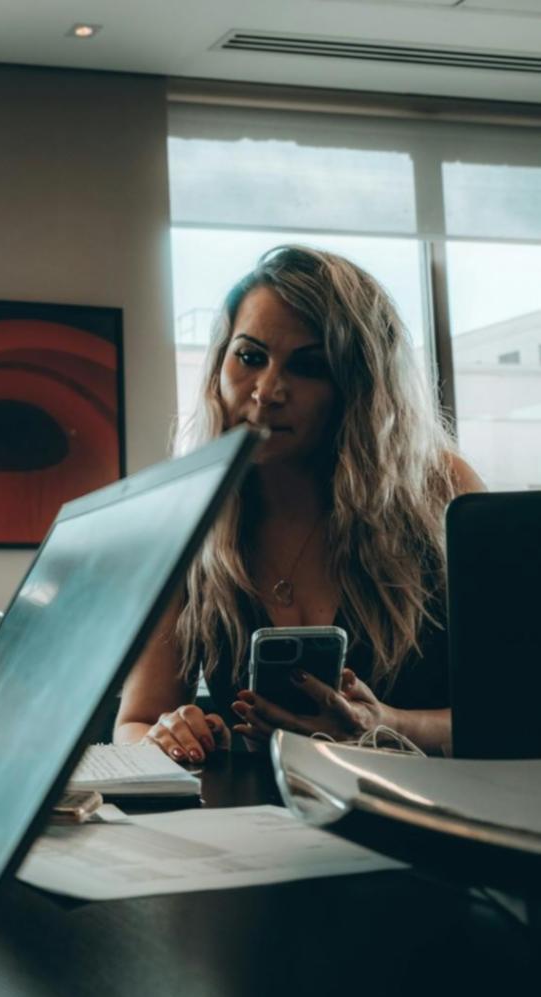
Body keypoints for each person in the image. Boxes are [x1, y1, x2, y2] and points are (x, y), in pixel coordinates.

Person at [115, 246, 484, 762]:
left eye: (309, 366)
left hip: (427, 807)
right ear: (219, 362)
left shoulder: (440, 489)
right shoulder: (189, 516)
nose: (267, 391)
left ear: (358, 386)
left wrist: (385, 725)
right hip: (260, 811)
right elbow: (135, 723)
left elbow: (517, 712)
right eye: (250, 357)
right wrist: (171, 735)